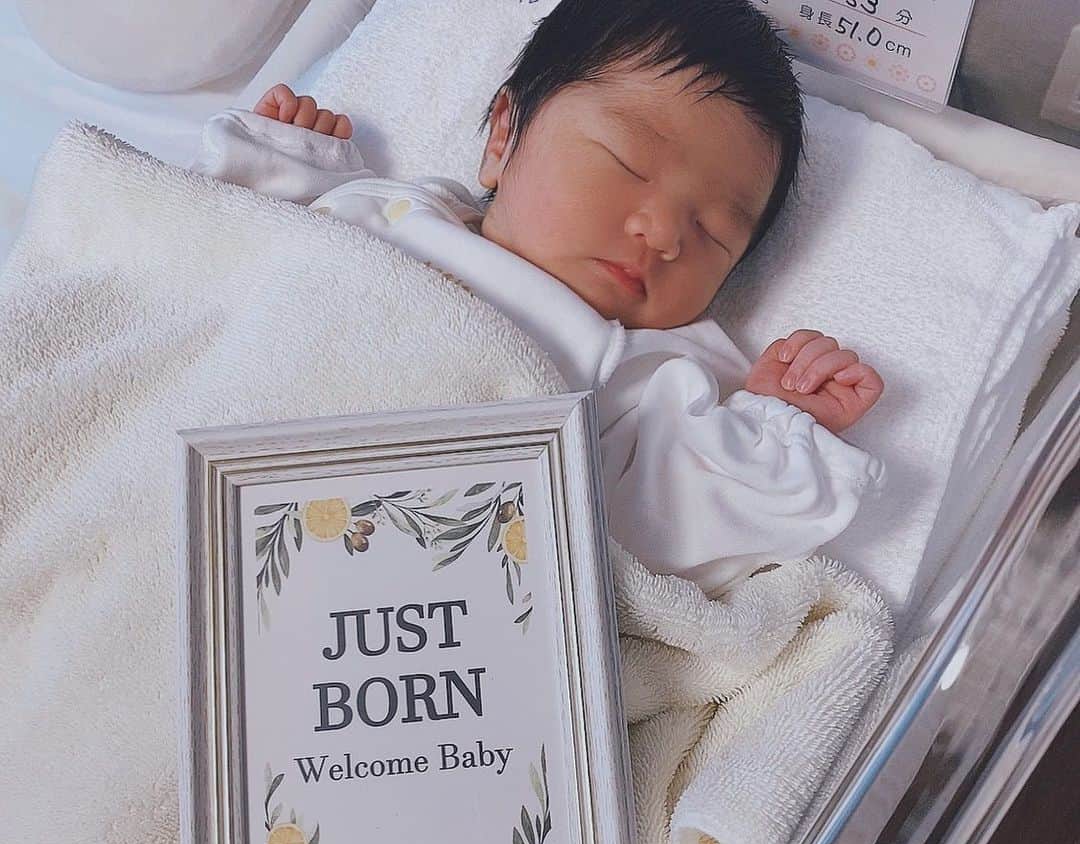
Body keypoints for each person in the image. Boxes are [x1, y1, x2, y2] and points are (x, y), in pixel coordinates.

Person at [190, 0, 886, 597]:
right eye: (627, 163)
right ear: (504, 137)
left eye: (712, 231)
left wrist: (776, 424)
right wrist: (284, 165)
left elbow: (666, 528)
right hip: (231, 460)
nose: (664, 233)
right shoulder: (395, 211)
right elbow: (224, 257)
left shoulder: (653, 372)